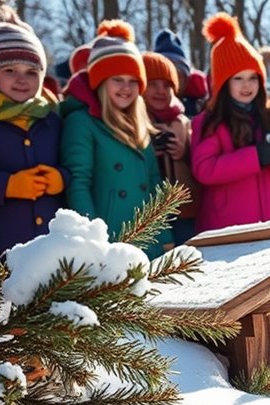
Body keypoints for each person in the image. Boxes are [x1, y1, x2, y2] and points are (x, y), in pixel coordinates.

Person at [60, 20, 170, 258]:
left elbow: (153, 184)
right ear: (101, 82)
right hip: (108, 242)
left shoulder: (139, 125)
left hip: (146, 239)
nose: (126, 88)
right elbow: (78, 184)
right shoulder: (81, 122)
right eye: (117, 79)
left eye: (133, 81)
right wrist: (92, 240)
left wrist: (165, 238)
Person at [190, 13, 270, 233]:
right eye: (238, 78)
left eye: (253, 77)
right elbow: (204, 169)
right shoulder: (210, 121)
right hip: (228, 228)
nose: (246, 85)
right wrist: (256, 156)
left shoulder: (269, 115)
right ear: (223, 83)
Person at [0, 16, 66, 254]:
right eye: (10, 70)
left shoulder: (53, 120)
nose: (22, 79)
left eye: (32, 72)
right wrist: (6, 185)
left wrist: (62, 178)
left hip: (51, 251)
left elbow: (75, 165)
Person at [142, 51, 198, 244]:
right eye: (153, 84)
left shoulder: (182, 122)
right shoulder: (137, 121)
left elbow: (198, 161)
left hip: (185, 210)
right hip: (149, 209)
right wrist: (149, 152)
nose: (160, 91)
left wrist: (184, 152)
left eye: (167, 85)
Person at [153, 28, 208, 117]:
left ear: (186, 79)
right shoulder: (139, 111)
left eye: (177, 75)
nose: (171, 80)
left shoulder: (201, 110)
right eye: (163, 74)